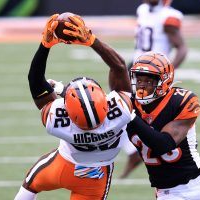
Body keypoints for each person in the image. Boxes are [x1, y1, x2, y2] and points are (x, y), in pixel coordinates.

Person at [14, 13, 133, 200]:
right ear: (105, 103)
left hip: (63, 167)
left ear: (67, 111)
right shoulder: (122, 111)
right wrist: (91, 40)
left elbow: (35, 81)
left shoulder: (57, 122)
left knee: (29, 187)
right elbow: (119, 66)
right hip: (96, 177)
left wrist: (45, 45)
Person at [126, 51, 200, 199]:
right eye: (139, 79)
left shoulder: (180, 101)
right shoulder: (126, 105)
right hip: (170, 193)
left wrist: (130, 116)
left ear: (164, 81)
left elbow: (164, 145)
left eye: (148, 81)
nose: (142, 85)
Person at [120, 0, 188, 179]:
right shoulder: (142, 9)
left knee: (132, 116)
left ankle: (141, 156)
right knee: (120, 112)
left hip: (152, 78)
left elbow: (181, 48)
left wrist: (165, 74)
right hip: (136, 70)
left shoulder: (169, 16)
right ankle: (133, 154)